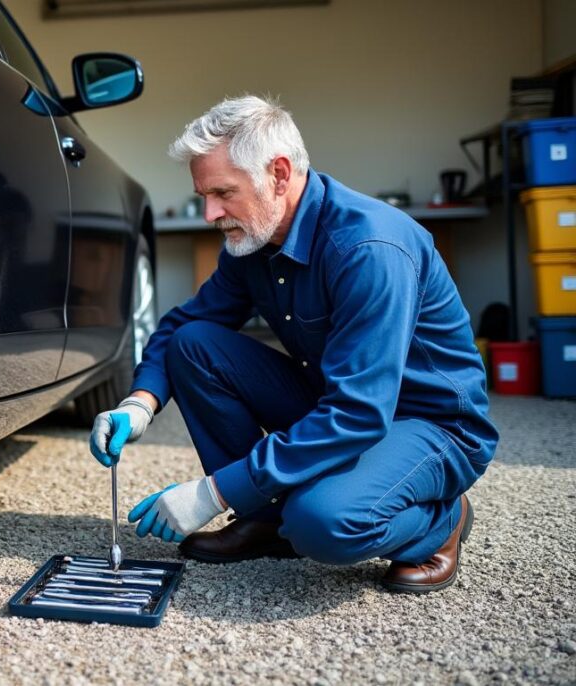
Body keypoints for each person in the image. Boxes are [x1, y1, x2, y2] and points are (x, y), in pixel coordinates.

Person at [89, 95, 498, 593]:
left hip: (429, 424)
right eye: (203, 195)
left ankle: (442, 523)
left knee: (321, 522)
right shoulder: (253, 239)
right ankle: (263, 519)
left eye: (222, 192)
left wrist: (211, 493)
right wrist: (140, 404)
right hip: (337, 400)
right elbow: (184, 326)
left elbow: (359, 415)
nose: (210, 212)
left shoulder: (368, 249)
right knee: (194, 345)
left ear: (279, 174)